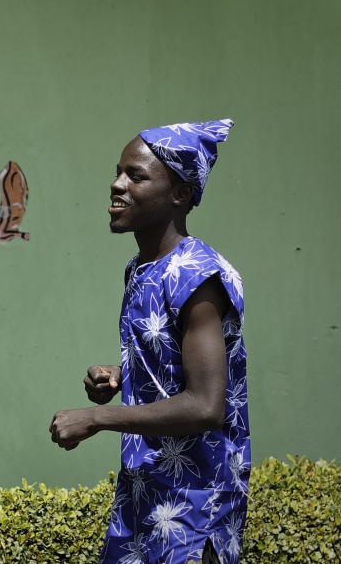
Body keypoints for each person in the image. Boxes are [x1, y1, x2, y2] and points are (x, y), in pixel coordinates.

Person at [49, 120, 250, 564]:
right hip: (144, 497)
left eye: (135, 176)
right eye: (118, 172)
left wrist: (97, 417)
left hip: (193, 513)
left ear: (179, 193)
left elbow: (205, 405)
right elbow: (176, 364)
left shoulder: (197, 277)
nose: (116, 184)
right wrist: (124, 374)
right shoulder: (141, 269)